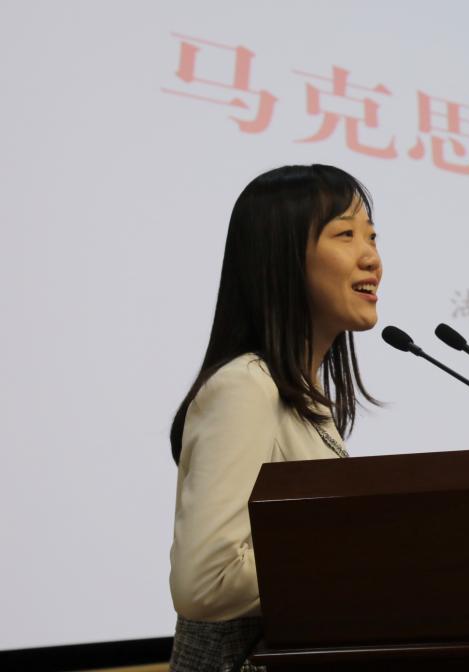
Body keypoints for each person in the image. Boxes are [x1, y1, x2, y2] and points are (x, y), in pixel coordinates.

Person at [167, 164, 382, 671]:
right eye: (346, 235)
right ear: (281, 256)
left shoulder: (303, 396)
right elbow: (206, 582)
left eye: (372, 237)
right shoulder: (246, 385)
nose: (371, 257)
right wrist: (365, 555)